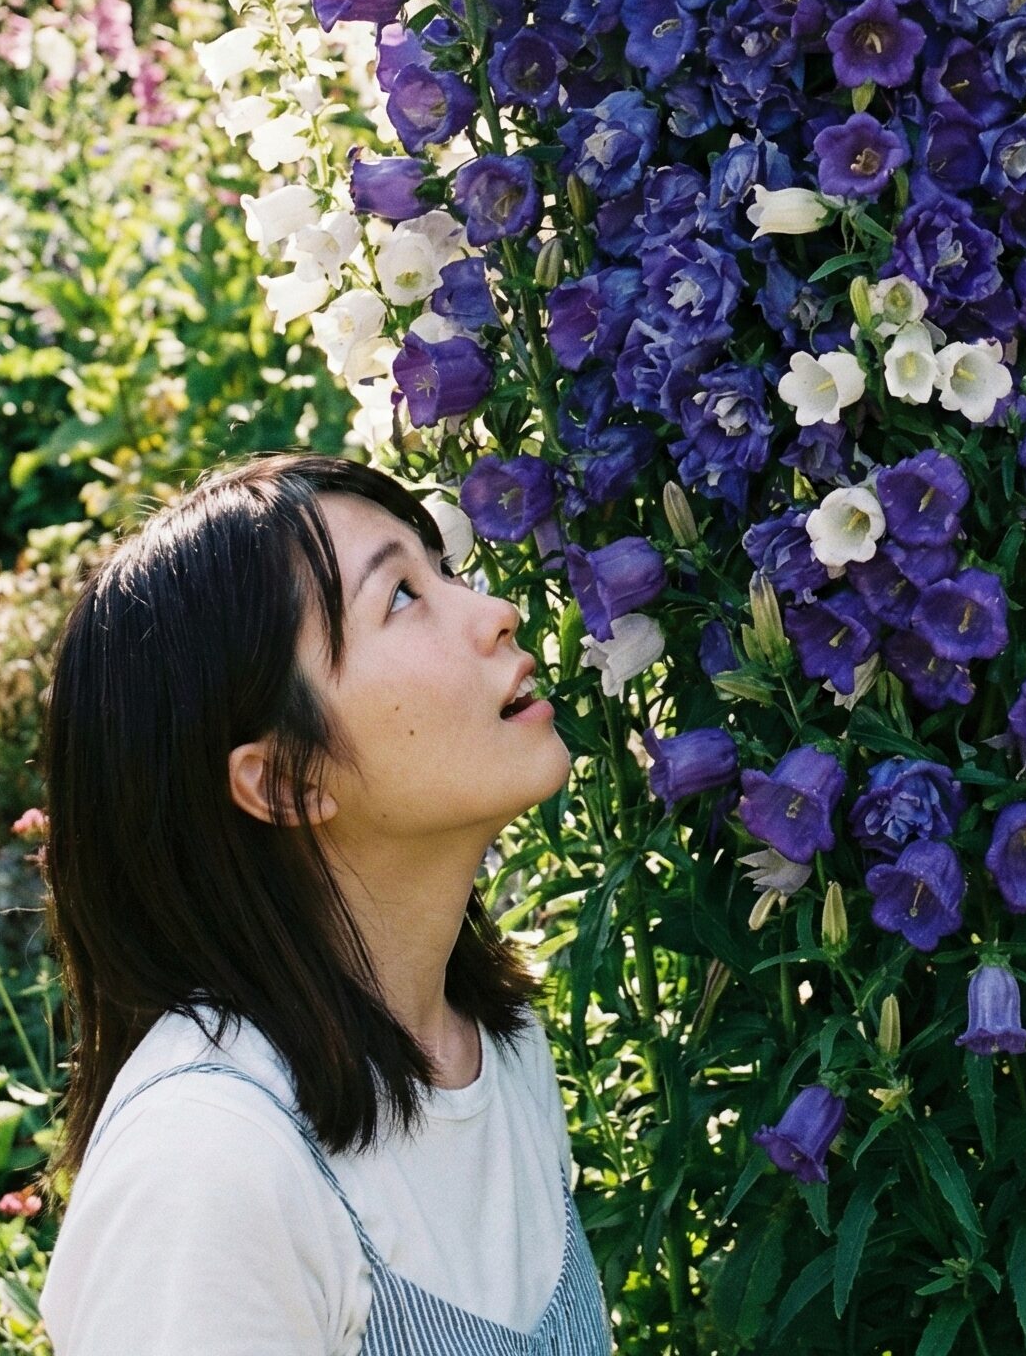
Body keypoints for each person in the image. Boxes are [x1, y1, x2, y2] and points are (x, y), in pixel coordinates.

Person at [37, 452, 611, 1355]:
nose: (496, 615)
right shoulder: (207, 1167)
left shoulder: (493, 1049)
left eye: (441, 570)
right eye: (401, 598)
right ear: (284, 782)